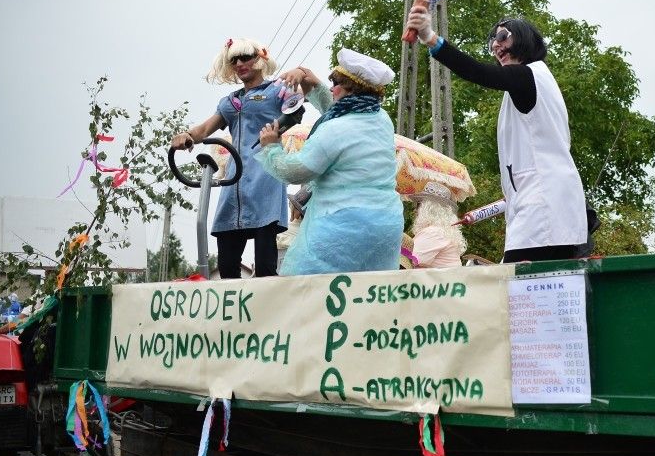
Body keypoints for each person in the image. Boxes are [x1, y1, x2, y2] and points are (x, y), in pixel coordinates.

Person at [405, 7, 587, 263]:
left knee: (522, 293)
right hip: (545, 204)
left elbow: (477, 72)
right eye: (492, 43)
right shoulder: (534, 82)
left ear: (525, 38)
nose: (496, 46)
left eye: (502, 36)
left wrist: (431, 38)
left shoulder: (529, 76)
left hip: (543, 207)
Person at [170, 38, 329, 278]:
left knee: (265, 267)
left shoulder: (277, 89)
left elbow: (309, 88)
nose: (241, 63)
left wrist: (300, 71)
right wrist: (185, 135)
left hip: (266, 178)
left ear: (260, 59)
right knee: (226, 267)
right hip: (234, 183)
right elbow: (203, 131)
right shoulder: (230, 102)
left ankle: (269, 314)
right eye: (235, 60)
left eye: (246, 57)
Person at [255, 48, 404, 275]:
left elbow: (295, 172)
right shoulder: (381, 119)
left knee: (310, 294)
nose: (332, 88)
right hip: (386, 225)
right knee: (369, 301)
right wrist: (309, 80)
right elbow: (338, 108)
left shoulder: (334, 130)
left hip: (343, 225)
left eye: (336, 84)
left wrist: (271, 148)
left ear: (352, 90)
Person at [409, 181, 466, 268]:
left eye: (418, 205)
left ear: (427, 208)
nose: (415, 211)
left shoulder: (433, 232)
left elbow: (409, 261)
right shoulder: (443, 232)